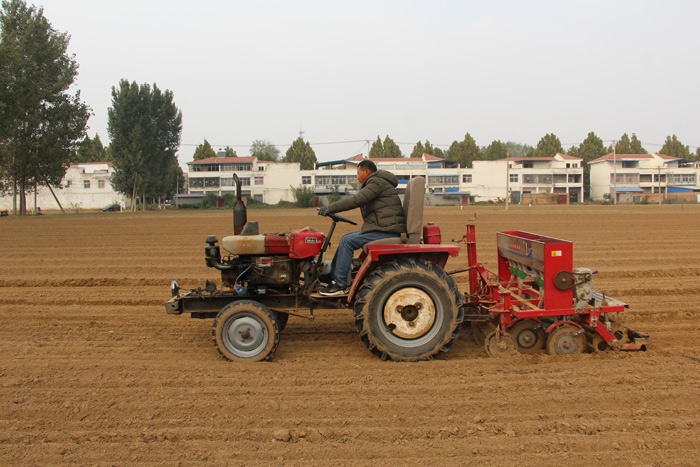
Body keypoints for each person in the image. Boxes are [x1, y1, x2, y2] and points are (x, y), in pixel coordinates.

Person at [317, 160, 406, 296]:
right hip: (383, 227)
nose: (357, 177)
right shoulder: (378, 182)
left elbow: (357, 200)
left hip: (387, 230)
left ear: (367, 172)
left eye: (358, 173)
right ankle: (333, 277)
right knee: (346, 238)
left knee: (348, 241)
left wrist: (330, 208)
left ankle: (340, 284)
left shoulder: (376, 183)